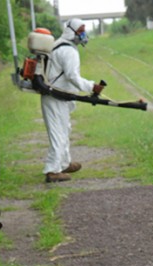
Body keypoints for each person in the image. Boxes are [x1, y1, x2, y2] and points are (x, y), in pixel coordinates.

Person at [41, 18, 104, 183]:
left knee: (64, 130)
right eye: (81, 30)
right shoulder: (68, 51)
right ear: (72, 30)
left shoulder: (59, 44)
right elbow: (71, 76)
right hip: (55, 97)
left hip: (59, 96)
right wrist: (92, 87)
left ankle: (64, 163)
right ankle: (52, 170)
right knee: (58, 134)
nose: (83, 33)